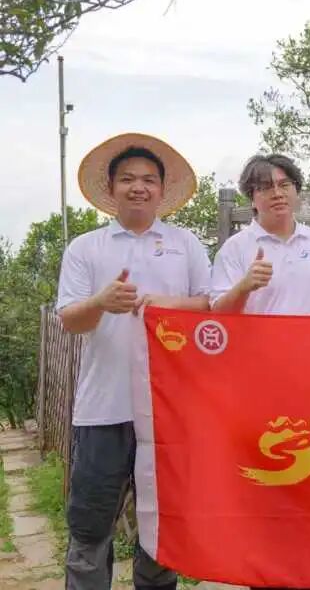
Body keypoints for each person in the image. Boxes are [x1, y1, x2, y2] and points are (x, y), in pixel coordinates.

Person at [57, 133, 211, 590]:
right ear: (111, 188)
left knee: (161, 523)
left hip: (169, 410)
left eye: (148, 180)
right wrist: (101, 302)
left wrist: (167, 304)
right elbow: (71, 320)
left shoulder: (186, 244)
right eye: (127, 179)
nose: (138, 187)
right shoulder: (86, 248)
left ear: (162, 190)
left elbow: (211, 306)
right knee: (90, 525)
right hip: (103, 409)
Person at [211, 153, 310, 315]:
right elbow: (218, 314)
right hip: (255, 333)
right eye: (266, 187)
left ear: (296, 190)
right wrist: (243, 287)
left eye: (284, 185)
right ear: (252, 199)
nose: (277, 194)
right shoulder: (233, 249)